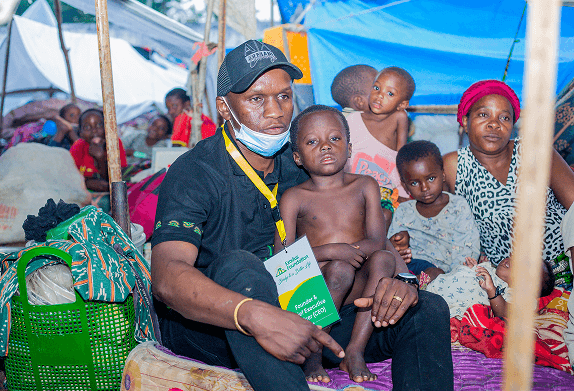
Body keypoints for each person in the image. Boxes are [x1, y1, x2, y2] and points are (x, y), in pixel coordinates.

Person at [151, 40, 453, 391]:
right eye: (256, 99)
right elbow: (167, 277)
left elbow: (363, 232)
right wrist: (253, 314)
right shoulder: (197, 172)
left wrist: (401, 279)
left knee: (426, 308)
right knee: (242, 266)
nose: (276, 111)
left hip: (310, 313)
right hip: (224, 325)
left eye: (283, 96)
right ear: (224, 107)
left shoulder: (300, 160)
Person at [276, 104, 396, 383]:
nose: (326, 147)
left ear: (350, 148)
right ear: (297, 157)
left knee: (384, 259)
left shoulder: (365, 185)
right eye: (312, 142)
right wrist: (331, 251)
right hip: (312, 291)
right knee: (339, 268)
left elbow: (377, 241)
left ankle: (355, 350)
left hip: (359, 287)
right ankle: (313, 352)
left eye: (334, 138)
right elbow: (282, 255)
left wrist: (348, 253)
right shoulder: (294, 197)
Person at [442, 80, 574, 289]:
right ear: (465, 121)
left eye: (504, 117)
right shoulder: (452, 165)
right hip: (505, 285)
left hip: (564, 273)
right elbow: (432, 215)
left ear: (512, 126)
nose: (494, 124)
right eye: (484, 114)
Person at [388, 140, 480, 280]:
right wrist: (397, 245)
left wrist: (450, 276)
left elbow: (469, 249)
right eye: (414, 183)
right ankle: (412, 286)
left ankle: (415, 287)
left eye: (431, 178)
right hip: (414, 269)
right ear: (405, 186)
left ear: (443, 175)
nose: (424, 188)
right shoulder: (404, 211)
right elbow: (394, 251)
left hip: (452, 274)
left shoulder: (458, 206)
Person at [330, 65, 397, 223]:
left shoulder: (336, 122)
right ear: (359, 101)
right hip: (375, 200)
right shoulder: (367, 122)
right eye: (376, 88)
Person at [347, 66, 416, 211]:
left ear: (402, 104)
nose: (380, 96)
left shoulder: (399, 117)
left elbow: (401, 155)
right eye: (376, 88)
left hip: (387, 188)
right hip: (355, 188)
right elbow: (344, 157)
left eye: (390, 93)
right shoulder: (353, 120)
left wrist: (403, 191)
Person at [426, 256, 555, 319]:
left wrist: (492, 289)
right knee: (434, 271)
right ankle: (410, 284)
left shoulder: (512, 294)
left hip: (443, 306)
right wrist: (473, 269)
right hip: (434, 286)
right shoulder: (490, 269)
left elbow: (503, 312)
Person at [69, 108, 127, 193]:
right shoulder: (78, 146)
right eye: (87, 127)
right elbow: (72, 176)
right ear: (80, 132)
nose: (94, 131)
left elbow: (116, 180)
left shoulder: (114, 143)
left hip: (109, 187)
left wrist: (100, 159)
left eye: (99, 125)